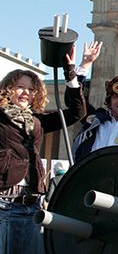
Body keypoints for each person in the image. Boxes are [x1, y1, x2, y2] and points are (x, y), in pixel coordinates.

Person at [0, 47, 86, 254]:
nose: (25, 93)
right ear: (8, 89)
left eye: (30, 89)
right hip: (3, 204)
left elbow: (77, 112)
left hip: (32, 205)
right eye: (20, 87)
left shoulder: (38, 120)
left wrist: (70, 72)